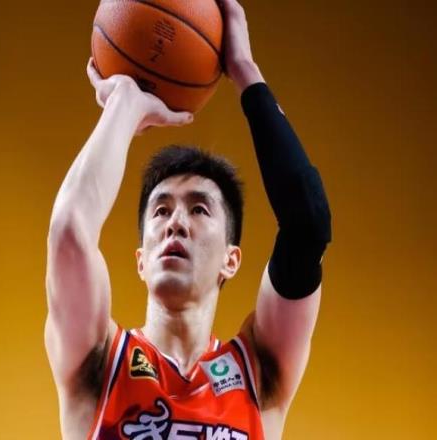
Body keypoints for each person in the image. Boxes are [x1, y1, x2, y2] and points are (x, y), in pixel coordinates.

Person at [44, 0, 332, 438]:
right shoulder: (98, 361)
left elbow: (307, 225)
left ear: (231, 260)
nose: (175, 223)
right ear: (141, 260)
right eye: (161, 210)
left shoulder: (259, 372)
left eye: (199, 209)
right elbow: (69, 233)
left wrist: (245, 70)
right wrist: (124, 103)